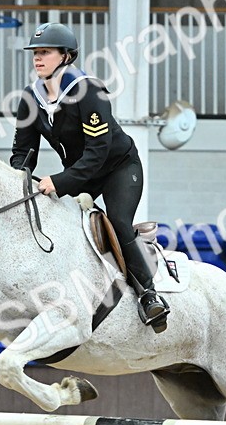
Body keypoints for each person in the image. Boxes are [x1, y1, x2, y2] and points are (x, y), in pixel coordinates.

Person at [9, 22, 169, 331]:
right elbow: (22, 151)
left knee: (119, 221)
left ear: (66, 57)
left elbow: (98, 150)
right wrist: (19, 181)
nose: (37, 59)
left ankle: (149, 294)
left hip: (118, 167)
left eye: (45, 53)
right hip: (79, 174)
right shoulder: (31, 97)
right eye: (35, 53)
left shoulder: (88, 90)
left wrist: (59, 182)